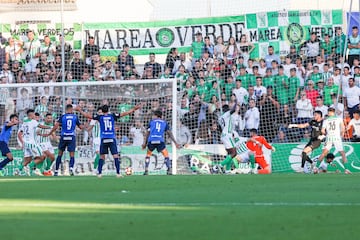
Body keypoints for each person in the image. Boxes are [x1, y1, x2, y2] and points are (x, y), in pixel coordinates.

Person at [77, 104, 141, 177]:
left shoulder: (100, 117)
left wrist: (80, 110)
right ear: (108, 110)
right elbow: (124, 113)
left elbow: (87, 116)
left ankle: (100, 173)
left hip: (104, 138)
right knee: (115, 156)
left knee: (101, 156)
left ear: (102, 111)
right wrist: (134, 109)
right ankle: (118, 173)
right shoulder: (112, 116)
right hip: (111, 138)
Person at [47, 104, 84, 176]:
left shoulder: (63, 117)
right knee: (72, 155)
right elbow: (81, 127)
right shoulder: (75, 117)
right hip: (71, 137)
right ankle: (71, 168)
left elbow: (56, 126)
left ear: (66, 109)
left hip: (63, 136)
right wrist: (84, 126)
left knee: (60, 154)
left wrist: (50, 133)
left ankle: (56, 171)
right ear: (71, 109)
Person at [142, 110, 180, 175]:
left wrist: (144, 143)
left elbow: (147, 133)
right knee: (166, 154)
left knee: (148, 154)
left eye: (153, 115)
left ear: (156, 116)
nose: (152, 117)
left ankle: (146, 170)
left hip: (151, 140)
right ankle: (169, 169)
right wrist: (175, 142)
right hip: (160, 140)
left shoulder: (151, 122)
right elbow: (169, 133)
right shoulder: (164, 123)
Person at [316, 107, 351, 174]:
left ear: (329, 112)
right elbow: (343, 128)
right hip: (337, 138)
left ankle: (316, 168)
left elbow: (322, 130)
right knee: (343, 153)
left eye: (328, 112)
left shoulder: (326, 120)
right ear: (334, 112)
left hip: (329, 138)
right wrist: (342, 134)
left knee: (324, 153)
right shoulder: (339, 119)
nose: (328, 113)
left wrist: (324, 134)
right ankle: (346, 169)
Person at [17, 109, 50, 176]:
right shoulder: (33, 121)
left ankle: (18, 170)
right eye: (34, 114)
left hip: (26, 144)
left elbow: (19, 134)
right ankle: (31, 167)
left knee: (27, 159)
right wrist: (50, 127)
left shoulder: (24, 123)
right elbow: (41, 126)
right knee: (43, 156)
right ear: (31, 115)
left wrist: (22, 143)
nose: (34, 115)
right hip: (32, 144)